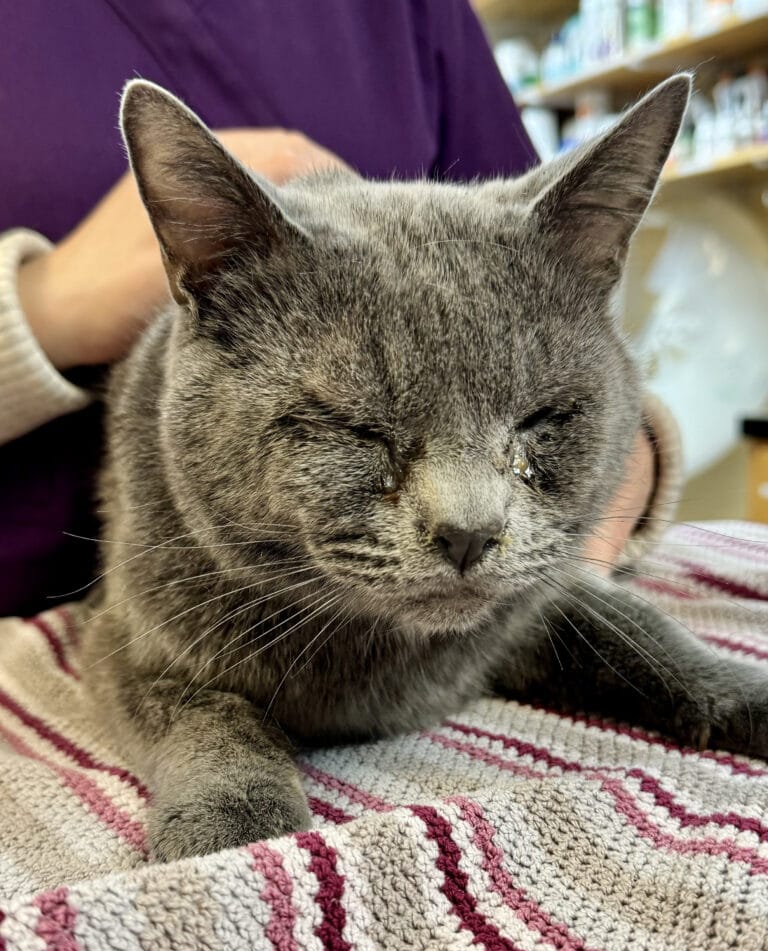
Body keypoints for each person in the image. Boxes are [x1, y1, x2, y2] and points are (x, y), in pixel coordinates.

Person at [0, 0, 671, 616]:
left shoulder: (415, 13)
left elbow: (561, 329)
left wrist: (623, 451)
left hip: (478, 627)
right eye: (357, 428)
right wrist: (39, 308)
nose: (467, 521)